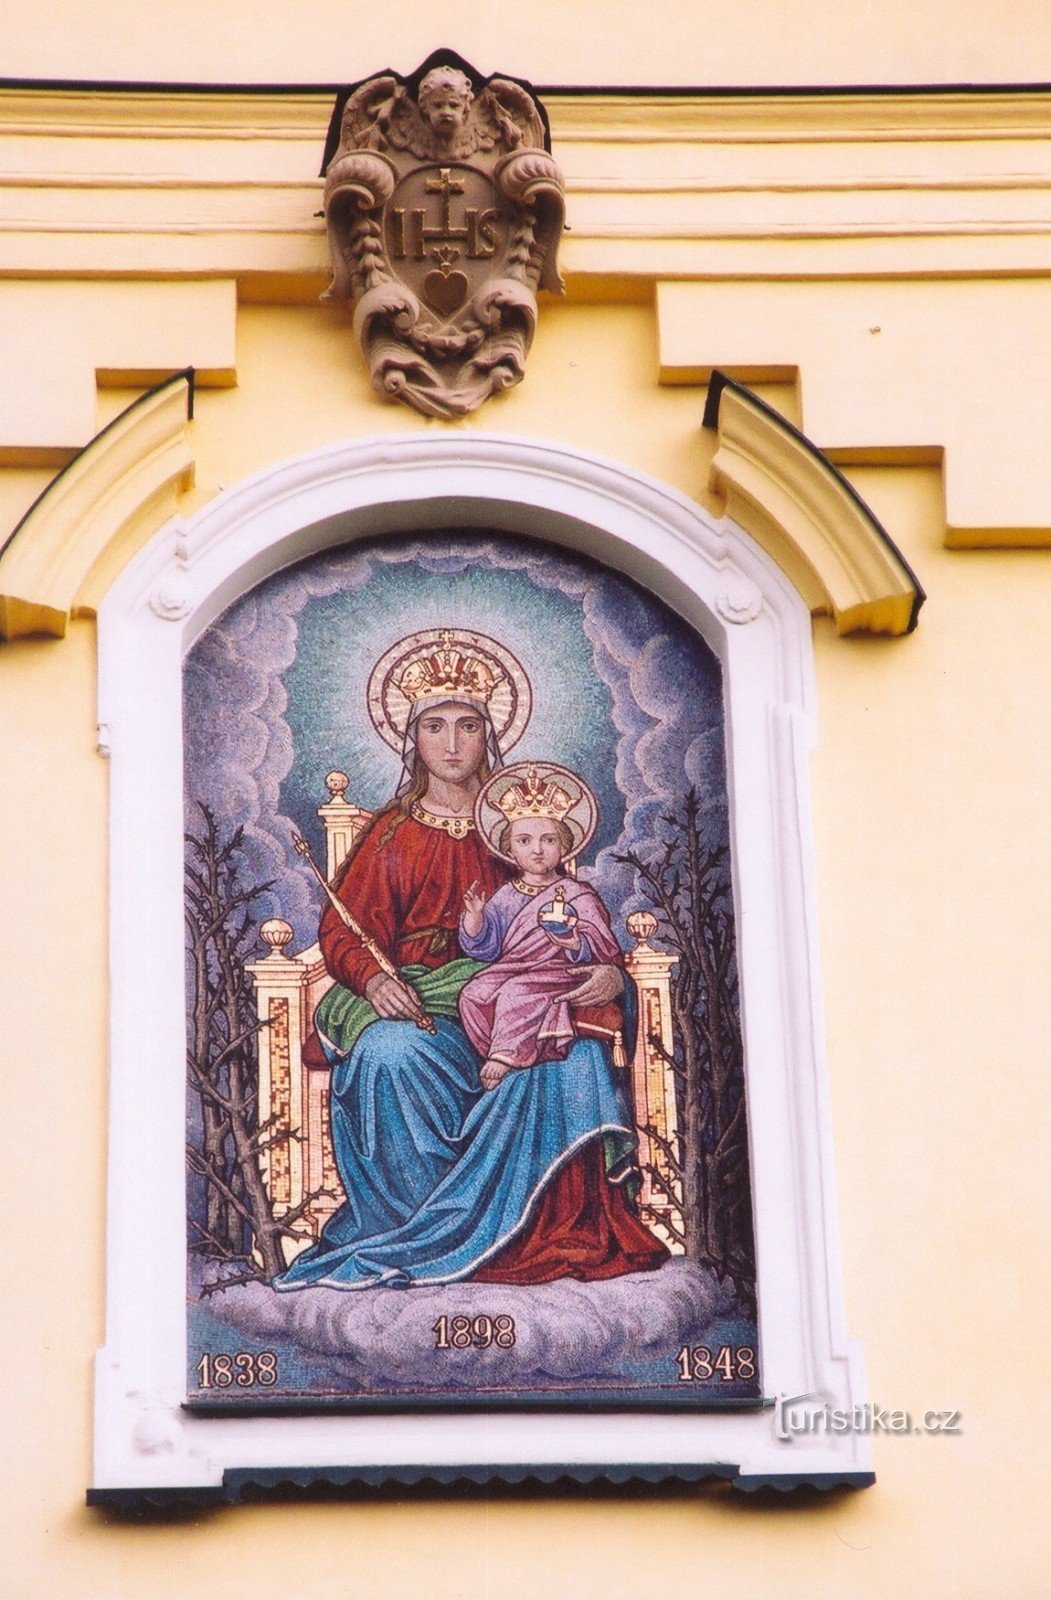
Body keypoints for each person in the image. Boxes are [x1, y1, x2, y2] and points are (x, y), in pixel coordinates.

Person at [274, 629, 667, 1290]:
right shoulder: (390, 835)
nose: (452, 744)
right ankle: (417, 1235)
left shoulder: (522, 839)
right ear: (413, 739)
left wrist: (607, 975)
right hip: (420, 1008)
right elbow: (343, 936)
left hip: (510, 1002)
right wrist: (374, 981)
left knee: (571, 1054)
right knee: (387, 1056)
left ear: (490, 736)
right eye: (434, 726)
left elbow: (572, 924)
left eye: (467, 726)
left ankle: (547, 1235)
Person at [458, 764, 625, 1090]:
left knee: (516, 993)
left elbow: (603, 947)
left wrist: (572, 940)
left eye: (548, 840)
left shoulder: (580, 894)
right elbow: (487, 946)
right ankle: (508, 1050)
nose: (537, 849)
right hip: (515, 968)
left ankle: (505, 1056)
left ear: (564, 846)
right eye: (525, 840)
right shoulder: (506, 894)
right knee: (472, 995)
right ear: (509, 849)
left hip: (560, 973)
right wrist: (476, 918)